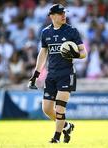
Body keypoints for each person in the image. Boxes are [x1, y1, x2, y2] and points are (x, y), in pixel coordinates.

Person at [28, 4, 87, 143]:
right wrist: (36, 74)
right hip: (51, 75)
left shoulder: (72, 31)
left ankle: (56, 138)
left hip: (67, 74)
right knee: (47, 109)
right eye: (60, 13)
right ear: (52, 16)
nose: (64, 15)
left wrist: (75, 54)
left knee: (60, 108)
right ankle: (66, 126)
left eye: (64, 13)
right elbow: (42, 54)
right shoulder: (45, 32)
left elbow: (84, 53)